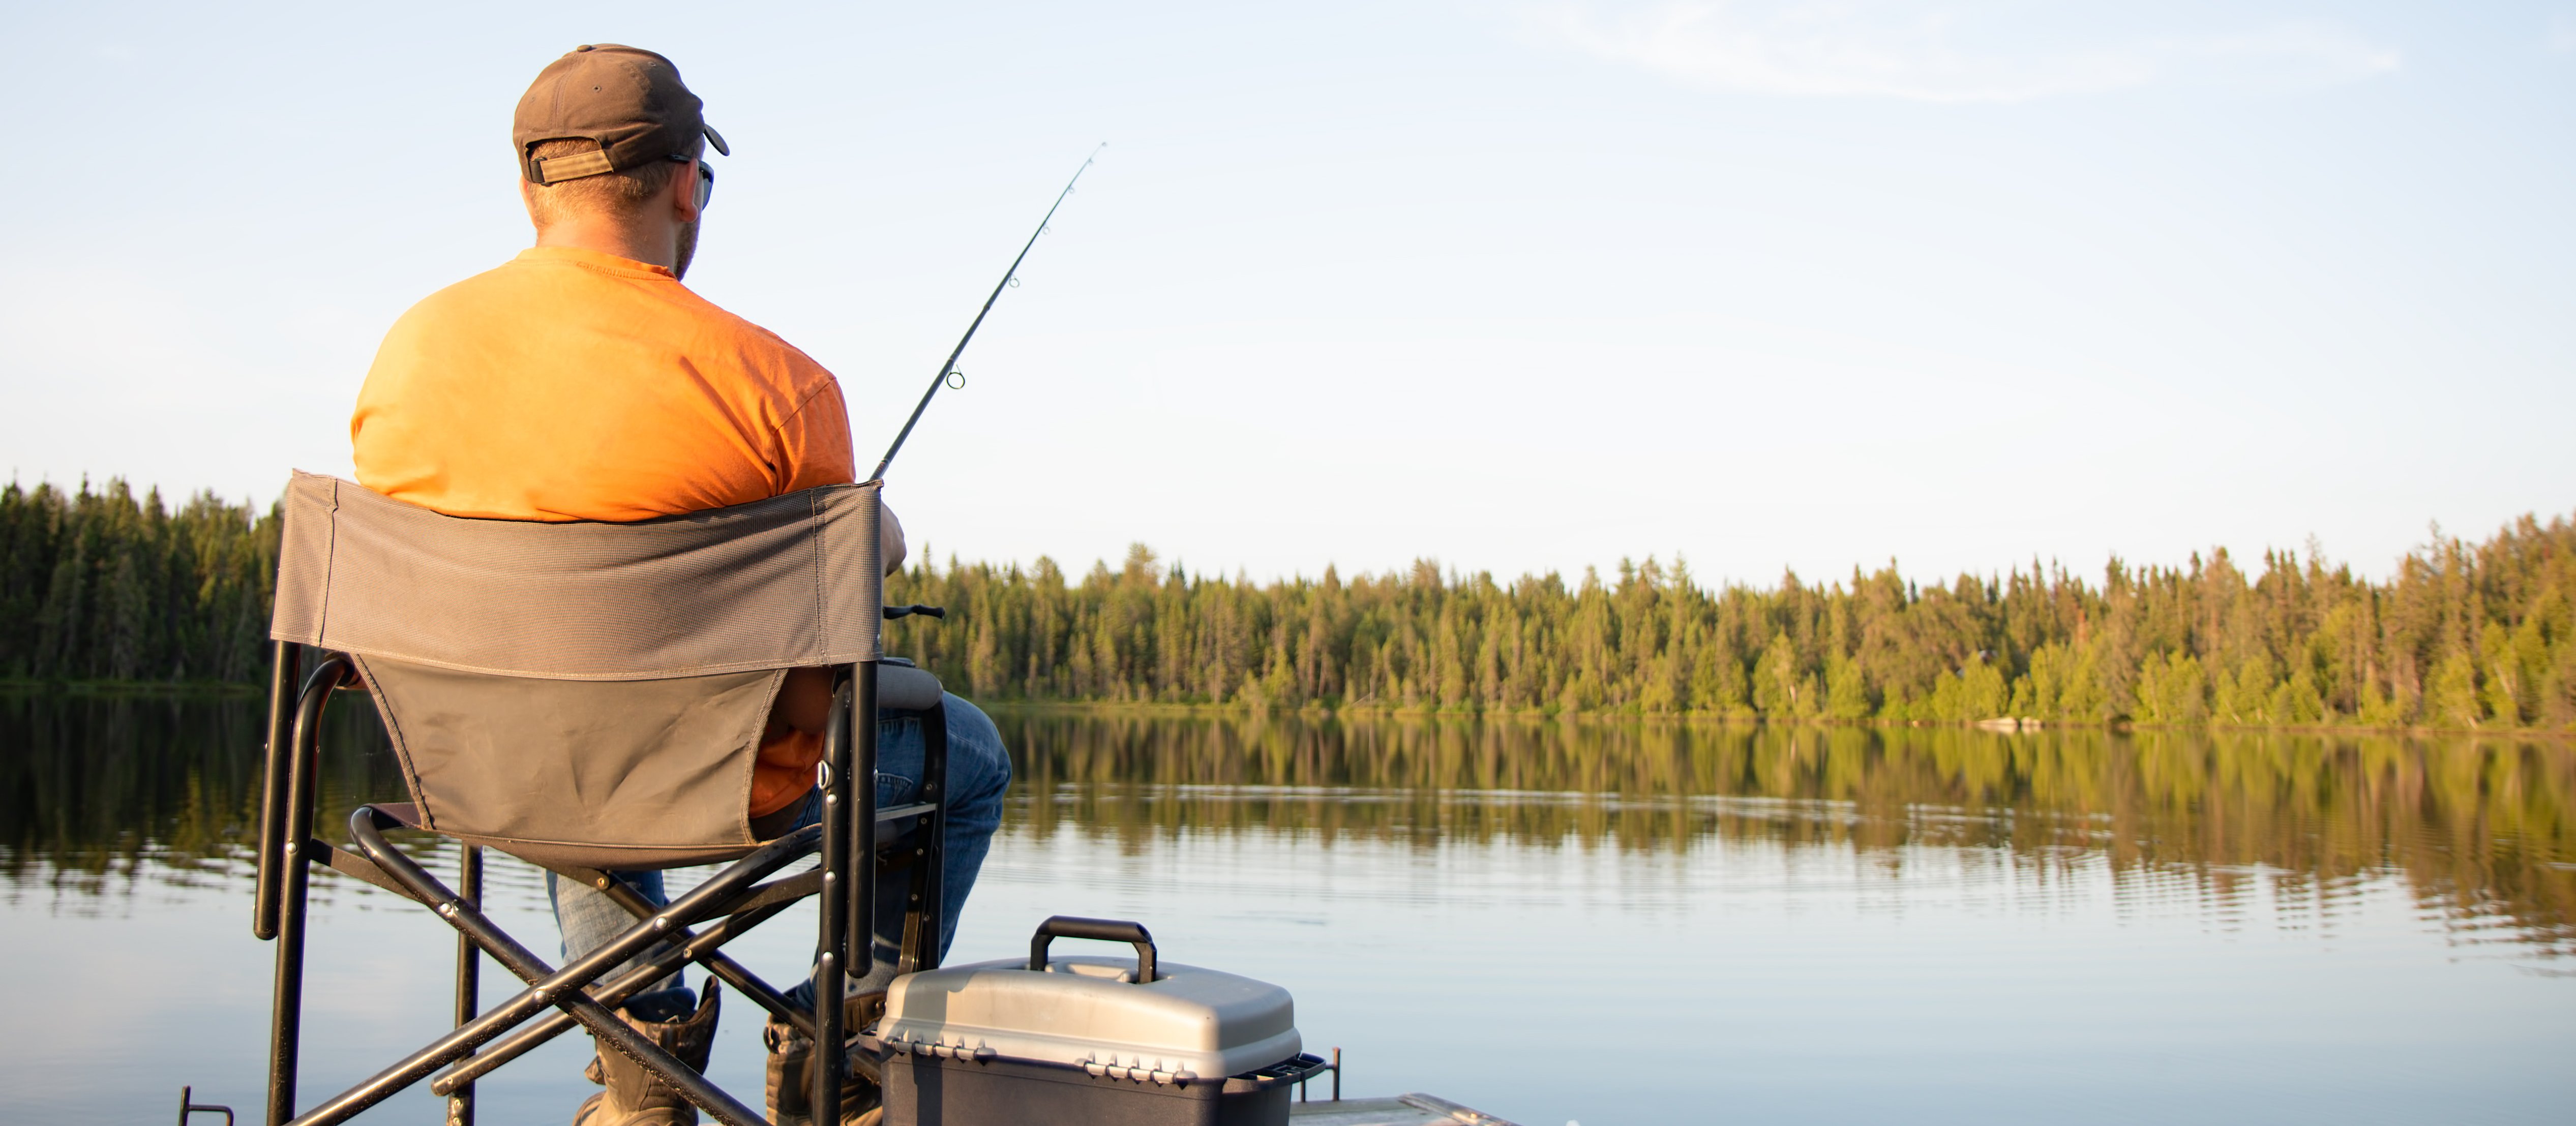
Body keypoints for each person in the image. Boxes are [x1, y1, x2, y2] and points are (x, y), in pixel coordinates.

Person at [347, 44, 1011, 1126]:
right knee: (966, 757)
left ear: (529, 187)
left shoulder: (408, 356)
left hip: (472, 767)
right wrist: (875, 533)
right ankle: (839, 1041)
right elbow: (837, 611)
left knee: (563, 726)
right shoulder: (779, 387)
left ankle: (640, 1066)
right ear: (688, 187)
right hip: (722, 778)